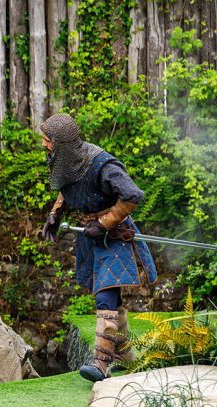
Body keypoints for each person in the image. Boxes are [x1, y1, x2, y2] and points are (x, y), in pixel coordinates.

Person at [37, 113, 157, 383]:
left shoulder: (102, 165)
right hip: (92, 239)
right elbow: (67, 187)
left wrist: (104, 223)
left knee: (105, 297)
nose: (44, 145)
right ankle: (126, 354)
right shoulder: (68, 161)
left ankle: (101, 363)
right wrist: (54, 216)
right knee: (110, 297)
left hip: (115, 237)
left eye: (47, 141)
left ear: (62, 143)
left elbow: (132, 195)